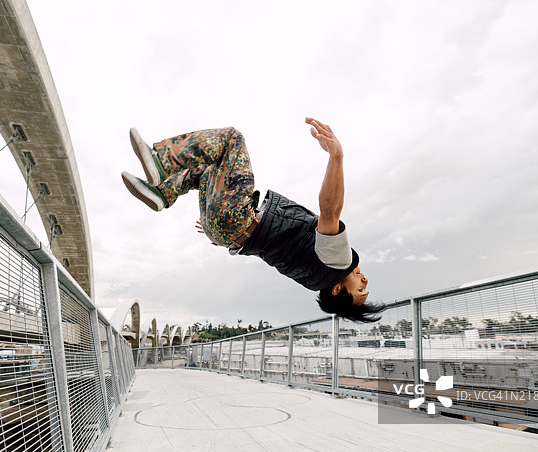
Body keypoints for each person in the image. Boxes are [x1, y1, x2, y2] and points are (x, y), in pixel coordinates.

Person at [121, 118, 385, 323]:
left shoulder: (339, 262)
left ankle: (161, 159)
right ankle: (162, 192)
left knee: (230, 139)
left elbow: (330, 212)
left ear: (338, 290)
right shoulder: (310, 279)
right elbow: (266, 254)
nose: (365, 282)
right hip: (228, 233)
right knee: (209, 166)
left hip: (239, 219)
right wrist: (221, 234)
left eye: (361, 291)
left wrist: (336, 156)